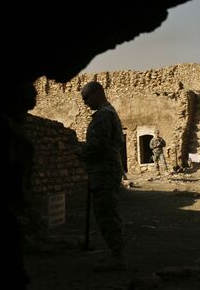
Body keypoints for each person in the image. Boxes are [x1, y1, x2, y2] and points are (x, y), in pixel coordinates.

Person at [80, 81, 126, 272]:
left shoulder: (103, 115)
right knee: (109, 212)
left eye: (86, 97)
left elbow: (97, 145)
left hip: (104, 171)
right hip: (106, 170)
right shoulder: (109, 112)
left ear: (98, 93)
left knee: (106, 213)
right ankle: (116, 254)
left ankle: (117, 256)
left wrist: (80, 153)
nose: (84, 102)